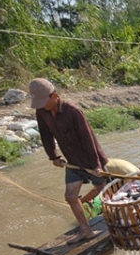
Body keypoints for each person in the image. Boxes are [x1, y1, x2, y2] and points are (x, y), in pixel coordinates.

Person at [29, 78, 109, 245]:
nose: (42, 106)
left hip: (90, 158)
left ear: (55, 96)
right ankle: (86, 230)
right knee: (71, 196)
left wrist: (96, 166)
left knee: (105, 192)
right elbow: (46, 135)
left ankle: (120, 221)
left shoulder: (73, 111)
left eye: (44, 102)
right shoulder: (42, 112)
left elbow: (88, 139)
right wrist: (54, 156)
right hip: (72, 160)